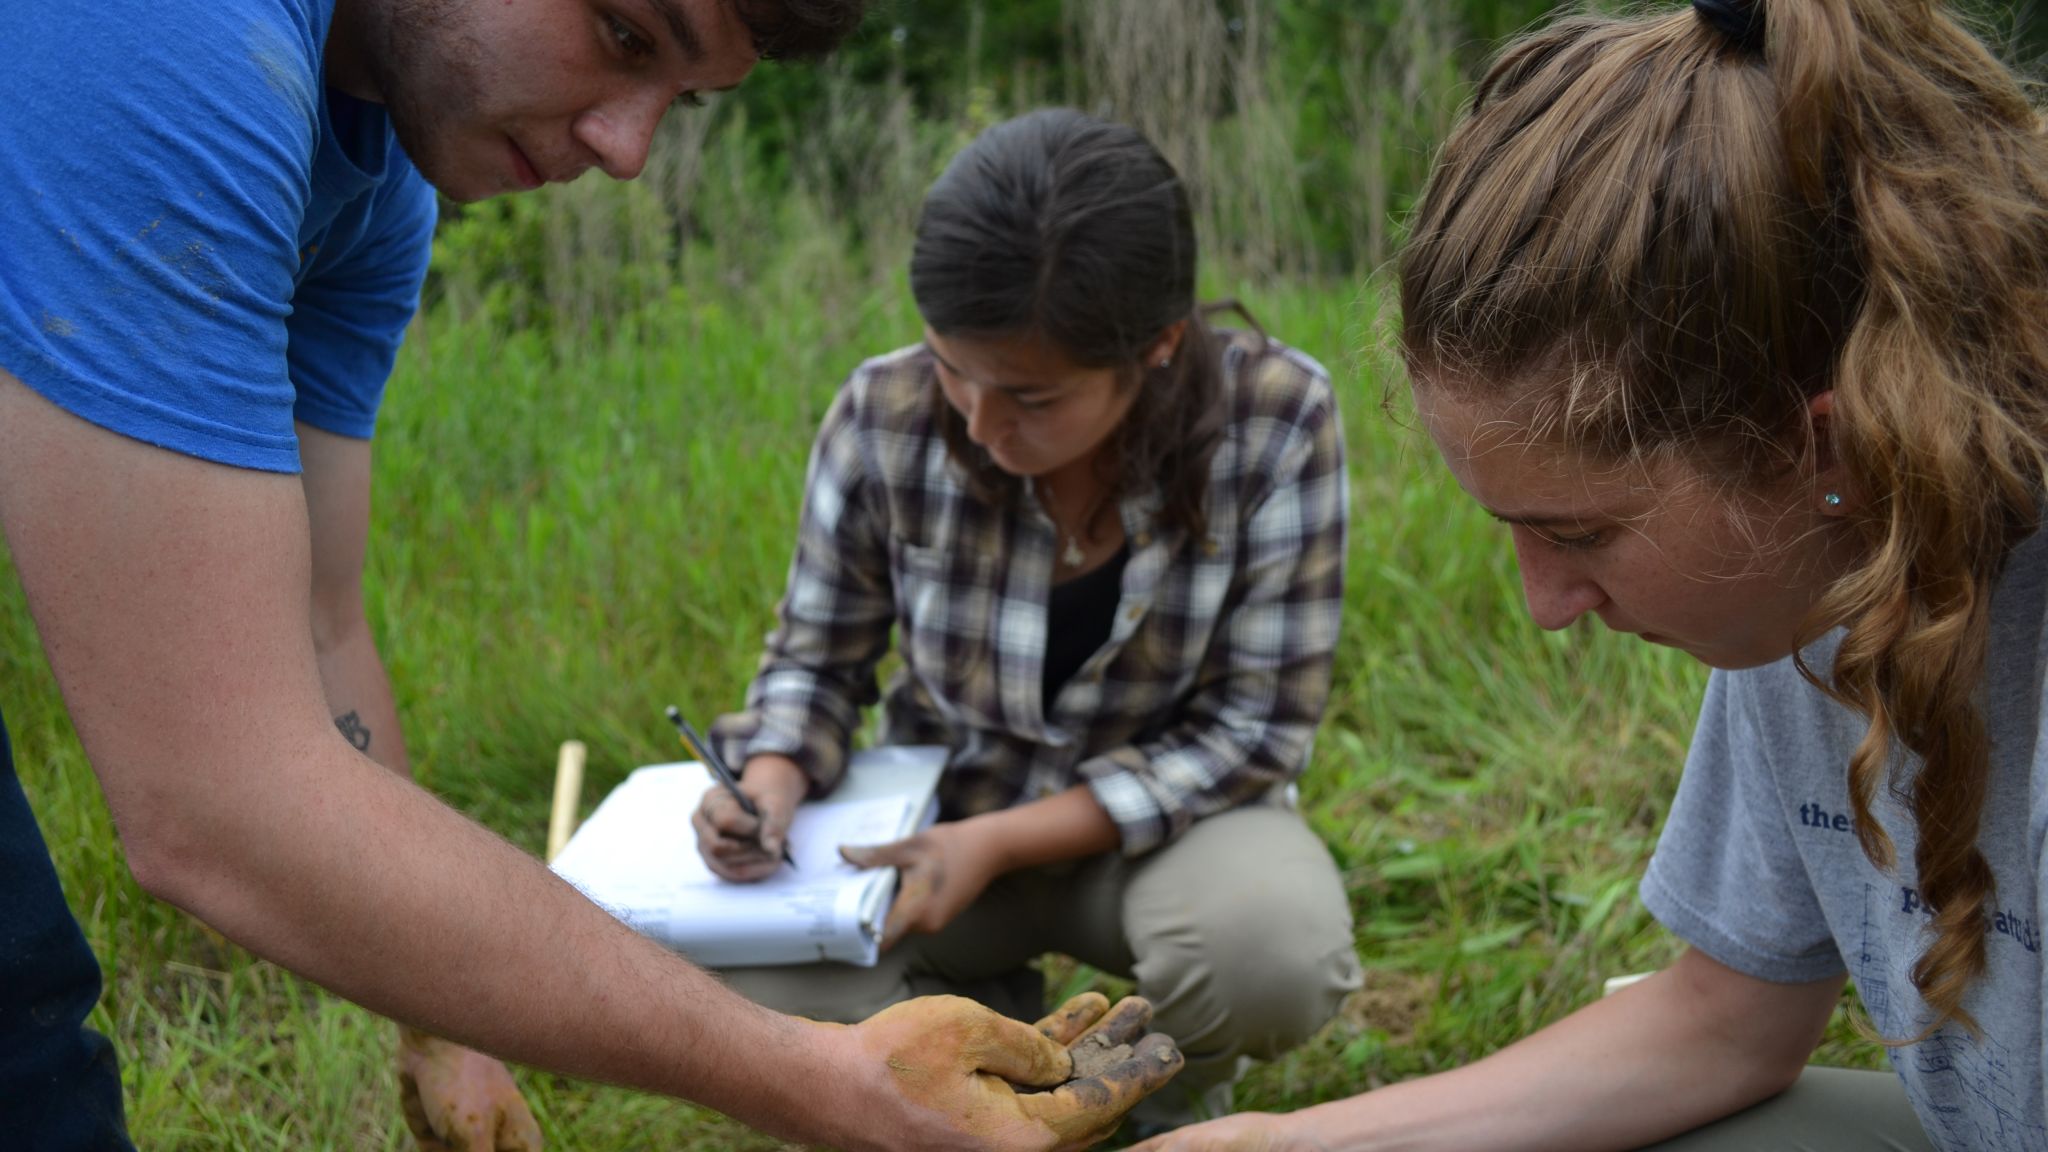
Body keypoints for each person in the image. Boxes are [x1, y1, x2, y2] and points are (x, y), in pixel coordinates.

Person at [0, 3, 1185, 1150]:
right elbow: (216, 798)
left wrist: (441, 1029)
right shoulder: (171, 39)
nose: (625, 150)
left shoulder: (372, 182)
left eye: (680, 97)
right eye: (622, 34)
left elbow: (318, 625)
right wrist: (824, 1085)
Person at [1135, 0, 2048, 1149]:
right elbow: (1724, 1021)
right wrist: (1277, 1143)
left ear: (1831, 450)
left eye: (1578, 536)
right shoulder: (1819, 568)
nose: (1544, 607)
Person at [691, 107, 1365, 1136]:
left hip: (1162, 837)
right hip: (939, 827)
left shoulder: (1275, 421)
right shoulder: (881, 414)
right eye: (950, 367)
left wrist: (1002, 843)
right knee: (757, 982)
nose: (976, 418)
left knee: (1266, 952)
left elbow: (1255, 731)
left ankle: (1155, 1099)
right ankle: (987, 1061)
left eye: (1030, 396)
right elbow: (814, 665)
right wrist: (770, 780)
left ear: (1157, 345)